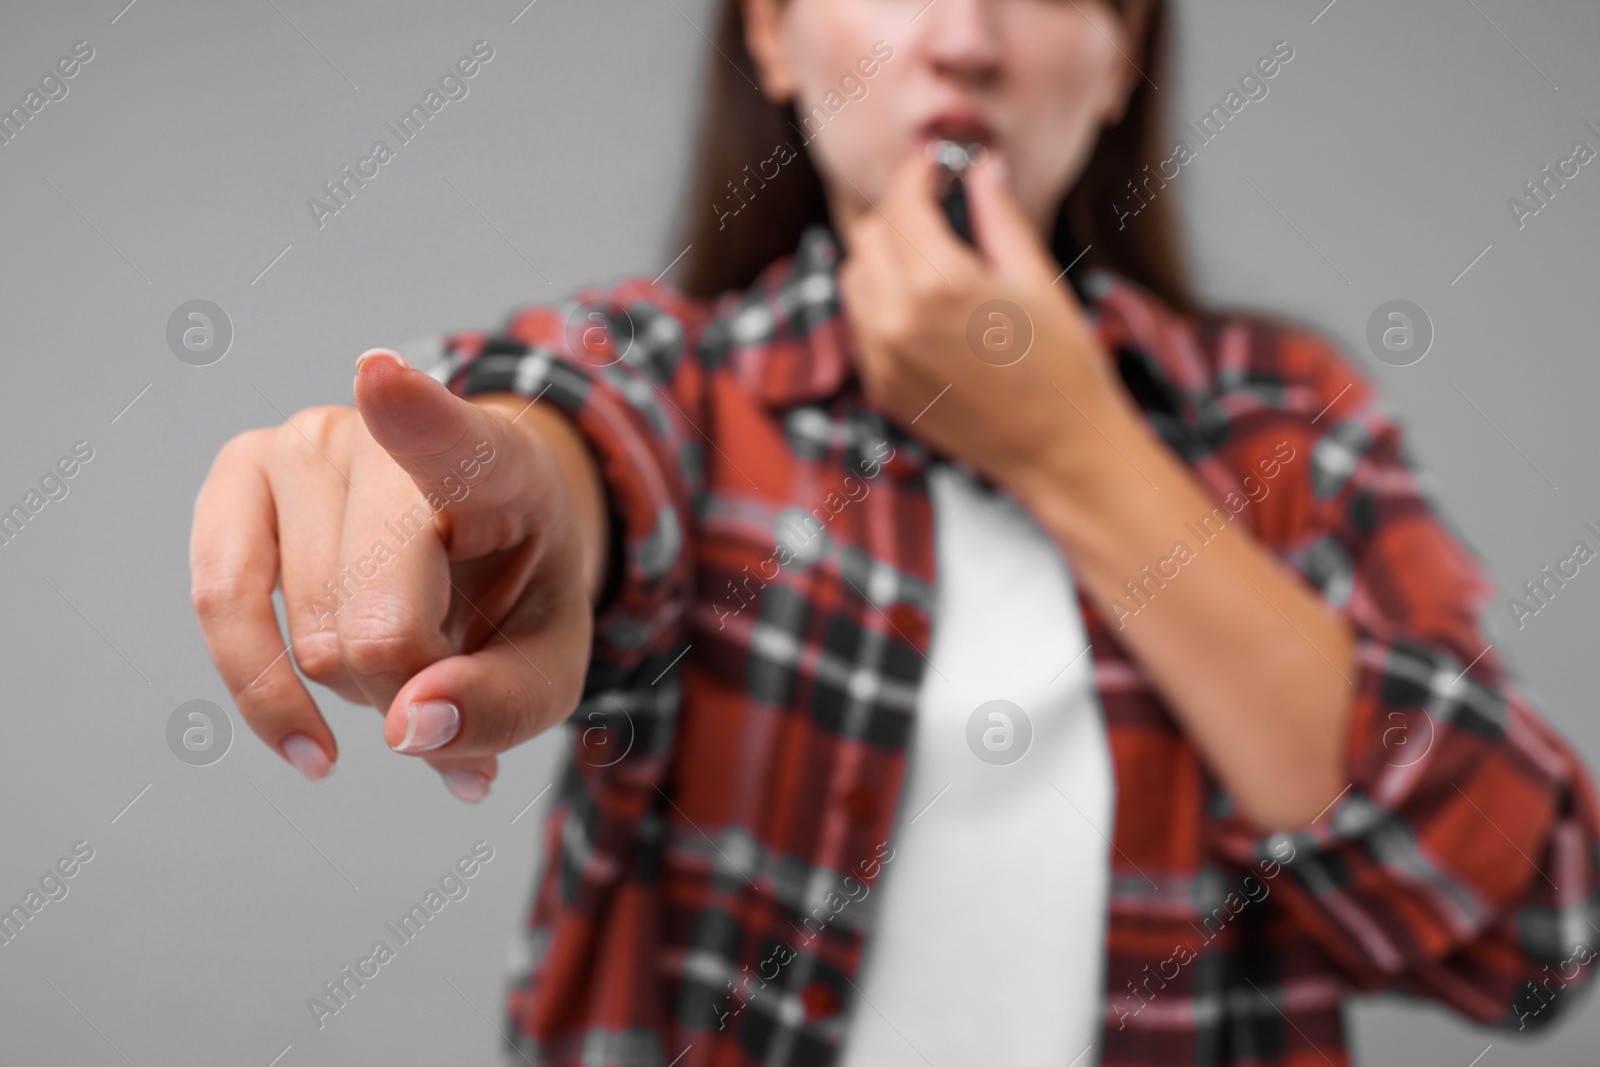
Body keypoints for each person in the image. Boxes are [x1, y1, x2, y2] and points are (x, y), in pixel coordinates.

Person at [188, 0, 1600, 1063]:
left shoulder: (1289, 423)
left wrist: (1076, 443)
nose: (966, 38)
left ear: (1121, 56)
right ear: (777, 36)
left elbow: (1531, 935)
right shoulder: (685, 386)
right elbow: (576, 423)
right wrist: (487, 492)